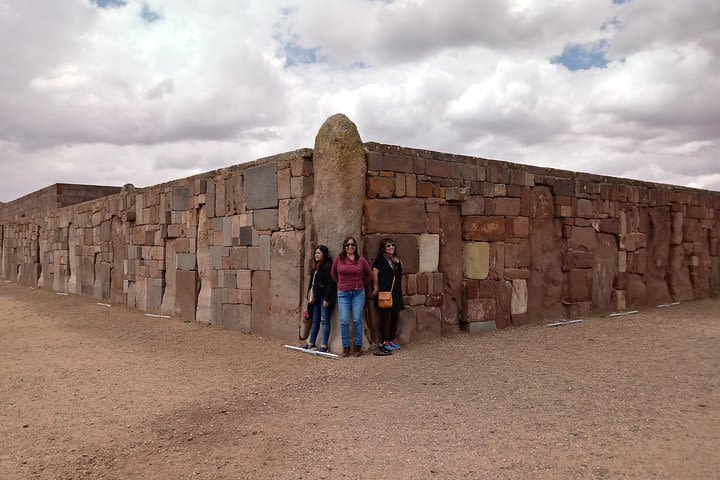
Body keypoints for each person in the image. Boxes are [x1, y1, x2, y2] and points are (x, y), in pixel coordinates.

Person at [331, 236, 374, 357]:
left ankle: (358, 346)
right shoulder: (339, 259)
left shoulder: (361, 260)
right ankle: (346, 347)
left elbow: (370, 275)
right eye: (347, 245)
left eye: (352, 245)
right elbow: (333, 273)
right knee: (344, 321)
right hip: (343, 294)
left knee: (357, 320)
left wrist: (361, 284)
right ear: (344, 247)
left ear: (355, 246)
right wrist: (340, 283)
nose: (350, 247)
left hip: (358, 294)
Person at [301, 245, 336, 353]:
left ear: (324, 254)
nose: (316, 255)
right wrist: (309, 294)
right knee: (315, 320)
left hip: (324, 297)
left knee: (324, 320)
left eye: (319, 253)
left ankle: (324, 344)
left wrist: (327, 299)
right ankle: (311, 342)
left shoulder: (328, 265)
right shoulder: (317, 266)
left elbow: (331, 283)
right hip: (316, 298)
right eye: (315, 253)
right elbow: (313, 282)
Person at [371, 238, 404, 355]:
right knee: (386, 317)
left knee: (395, 316)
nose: (391, 247)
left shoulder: (397, 260)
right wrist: (376, 288)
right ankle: (384, 341)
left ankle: (392, 339)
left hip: (396, 292)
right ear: (384, 248)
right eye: (388, 246)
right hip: (385, 291)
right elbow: (374, 273)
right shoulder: (381, 259)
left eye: (392, 245)